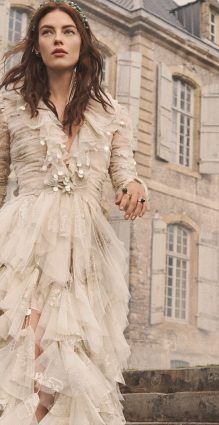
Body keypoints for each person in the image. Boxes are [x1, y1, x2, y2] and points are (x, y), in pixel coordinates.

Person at [0, 0, 149, 423]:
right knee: (25, 349)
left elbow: (124, 169)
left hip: (83, 249)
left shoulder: (111, 112)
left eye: (67, 31)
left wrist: (133, 185)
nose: (58, 39)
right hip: (23, 242)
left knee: (70, 362)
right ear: (35, 46)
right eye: (47, 32)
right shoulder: (11, 106)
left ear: (82, 43)